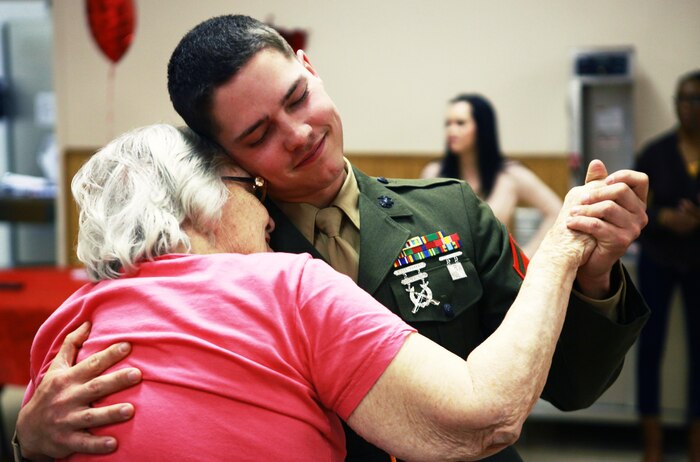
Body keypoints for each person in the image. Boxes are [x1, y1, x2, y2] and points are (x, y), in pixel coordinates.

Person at [15, 14, 650, 462]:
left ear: (310, 67)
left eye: (298, 97)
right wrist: (30, 439)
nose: (297, 134)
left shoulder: (447, 210)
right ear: (219, 158)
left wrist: (594, 277)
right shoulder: (236, 263)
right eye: (259, 135)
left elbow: (567, 384)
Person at [24, 123, 605, 461]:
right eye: (247, 184)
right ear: (198, 196)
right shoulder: (286, 283)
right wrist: (564, 247)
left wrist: (24, 442)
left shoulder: (69, 325)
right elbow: (485, 414)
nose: (266, 207)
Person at [634, 69, 700, 462]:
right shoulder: (655, 153)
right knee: (650, 348)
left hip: (698, 263)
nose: (689, 107)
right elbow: (638, 208)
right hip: (659, 260)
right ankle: (652, 446)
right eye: (683, 98)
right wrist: (663, 219)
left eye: (696, 99)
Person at [421, 94, 563, 256]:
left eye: (460, 123)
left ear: (482, 127)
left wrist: (527, 255)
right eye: (448, 124)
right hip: (451, 270)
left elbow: (556, 211)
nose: (451, 130)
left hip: (498, 273)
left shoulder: (510, 175)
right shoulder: (434, 173)